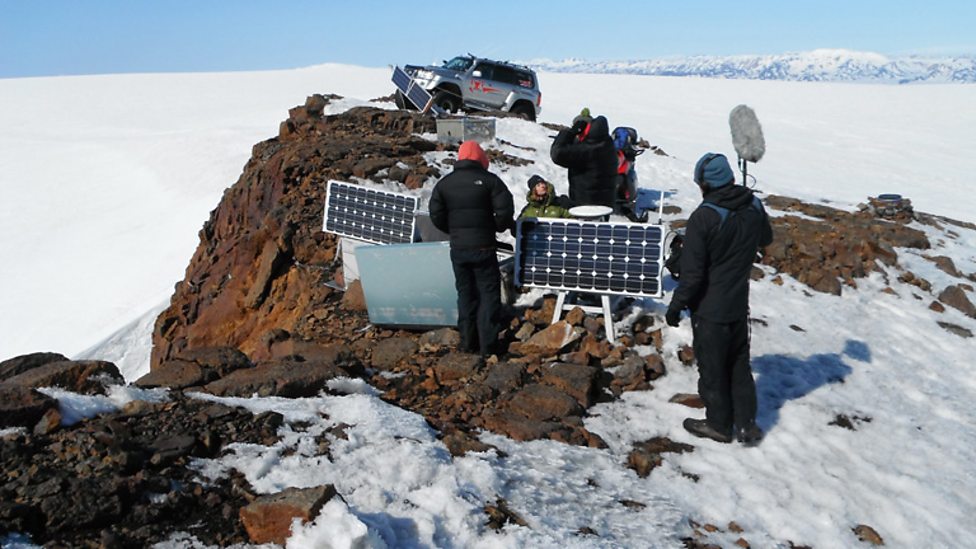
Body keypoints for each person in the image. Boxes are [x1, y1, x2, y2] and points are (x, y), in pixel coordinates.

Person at [665, 152, 773, 446]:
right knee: (739, 364)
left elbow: (693, 274)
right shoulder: (753, 204)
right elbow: (766, 238)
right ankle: (747, 424)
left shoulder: (704, 216)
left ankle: (719, 425)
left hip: (710, 308)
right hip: (739, 302)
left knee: (712, 368)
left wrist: (676, 306)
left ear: (705, 183)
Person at [429, 140, 515, 357]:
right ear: (480, 158)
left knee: (465, 295)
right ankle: (488, 347)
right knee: (488, 296)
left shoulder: (445, 184)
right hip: (484, 247)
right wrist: (495, 227)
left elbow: (436, 214)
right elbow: (505, 211)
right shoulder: (490, 181)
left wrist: (453, 230)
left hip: (458, 248)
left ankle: (468, 343)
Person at [550, 114, 617, 208]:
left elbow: (557, 154)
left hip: (586, 205)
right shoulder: (606, 143)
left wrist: (570, 132)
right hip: (605, 203)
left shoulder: (588, 150)